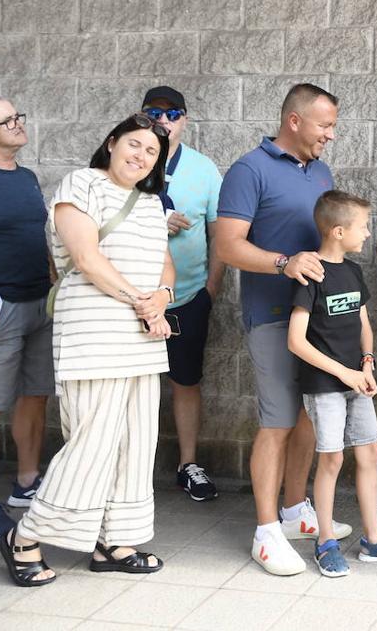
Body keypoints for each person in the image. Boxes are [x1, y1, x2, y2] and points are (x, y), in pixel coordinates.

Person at [0, 114, 174, 587]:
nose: (141, 156)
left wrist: (161, 297)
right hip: (93, 329)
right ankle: (25, 538)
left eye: (152, 152)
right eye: (133, 145)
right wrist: (143, 303)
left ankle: (114, 541)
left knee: (135, 439)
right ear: (112, 142)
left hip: (143, 334)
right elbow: (86, 258)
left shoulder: (151, 201)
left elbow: (165, 266)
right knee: (92, 439)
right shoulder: (81, 183)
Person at [216, 83, 351, 576]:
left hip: (317, 322)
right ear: (294, 120)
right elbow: (228, 246)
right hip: (272, 318)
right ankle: (266, 531)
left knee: (309, 418)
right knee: (276, 422)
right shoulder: (248, 170)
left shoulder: (320, 171)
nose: (331, 135)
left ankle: (296, 510)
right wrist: (282, 262)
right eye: (324, 125)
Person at [288, 191, 377, 577]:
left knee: (370, 454)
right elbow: (295, 341)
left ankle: (374, 540)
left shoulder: (354, 271)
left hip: (356, 380)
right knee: (332, 457)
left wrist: (366, 364)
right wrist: (343, 373)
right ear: (338, 230)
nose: (368, 234)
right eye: (363, 227)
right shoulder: (311, 275)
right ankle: (325, 540)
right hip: (324, 384)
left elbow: (363, 324)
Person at [140, 86, 225, 502]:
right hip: (134, 296)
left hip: (188, 295)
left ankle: (188, 464)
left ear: (185, 120)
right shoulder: (130, 159)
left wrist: (210, 290)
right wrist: (155, 219)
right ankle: (132, 467)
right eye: (154, 112)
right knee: (133, 385)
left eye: (172, 113)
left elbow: (219, 234)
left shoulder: (204, 169)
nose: (163, 120)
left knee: (186, 381)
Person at [0, 98, 52, 539]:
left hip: (39, 302)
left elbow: (40, 237)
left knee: (35, 395)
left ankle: (26, 484)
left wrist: (54, 283)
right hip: (0, 307)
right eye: (7, 120)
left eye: (18, 116)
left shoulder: (28, 178)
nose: (17, 124)